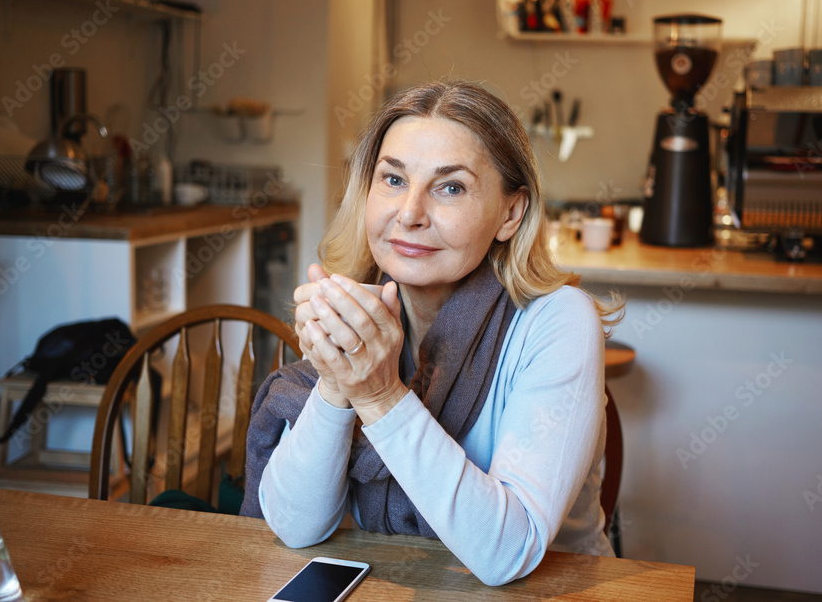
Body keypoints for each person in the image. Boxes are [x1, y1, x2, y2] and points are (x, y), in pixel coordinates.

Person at [241, 79, 622, 586]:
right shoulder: (362, 310)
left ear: (511, 213)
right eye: (393, 180)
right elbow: (295, 527)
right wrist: (337, 383)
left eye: (450, 187)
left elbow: (509, 551)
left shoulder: (558, 321)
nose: (410, 214)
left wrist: (377, 394)